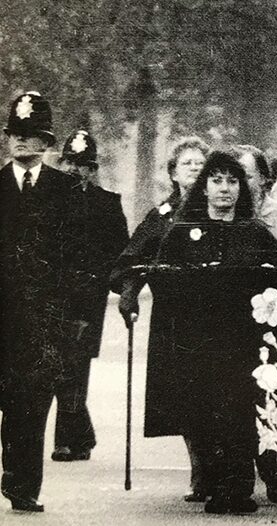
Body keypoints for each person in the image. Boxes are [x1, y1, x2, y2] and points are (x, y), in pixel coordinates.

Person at [151, 151, 277, 515]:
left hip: (243, 342)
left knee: (240, 413)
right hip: (196, 342)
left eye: (232, 181)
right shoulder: (181, 233)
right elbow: (162, 279)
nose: (224, 189)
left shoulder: (255, 232)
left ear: (241, 188)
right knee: (203, 413)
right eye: (217, 181)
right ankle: (213, 483)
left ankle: (238, 489)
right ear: (205, 187)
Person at [112, 135, 210, 502]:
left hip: (215, 317)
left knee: (216, 393)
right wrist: (129, 292)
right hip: (175, 319)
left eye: (201, 164)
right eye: (188, 164)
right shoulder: (162, 216)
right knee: (186, 396)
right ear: (173, 172)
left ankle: (219, 468)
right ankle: (199, 470)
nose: (195, 170)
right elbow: (132, 260)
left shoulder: (221, 211)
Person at [0, 92, 85, 513]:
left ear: (46, 141)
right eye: (14, 133)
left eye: (29, 134)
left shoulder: (67, 189)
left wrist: (73, 314)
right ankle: (13, 470)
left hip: (45, 322)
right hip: (1, 318)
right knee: (8, 402)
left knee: (31, 405)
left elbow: (80, 255)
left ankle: (22, 484)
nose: (19, 141)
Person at [52, 130, 129, 463]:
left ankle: (66, 441)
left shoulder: (108, 204)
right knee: (56, 366)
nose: (74, 169)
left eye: (82, 164)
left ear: (93, 168)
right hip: (52, 296)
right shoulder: (46, 198)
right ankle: (80, 436)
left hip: (87, 299)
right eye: (70, 161)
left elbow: (121, 253)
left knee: (74, 367)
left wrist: (112, 283)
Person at [232, 145, 277, 266]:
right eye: (232, 178)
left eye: (246, 177)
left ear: (262, 179)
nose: (238, 184)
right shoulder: (214, 215)